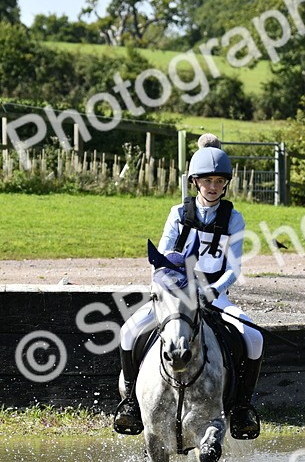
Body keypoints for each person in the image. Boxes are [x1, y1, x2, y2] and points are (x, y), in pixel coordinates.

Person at [113, 134, 264, 439]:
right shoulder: (178, 214)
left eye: (219, 181)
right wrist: (171, 290)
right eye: (207, 181)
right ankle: (130, 403)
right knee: (128, 332)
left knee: (254, 337)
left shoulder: (234, 219)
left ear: (226, 184)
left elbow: (234, 269)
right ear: (195, 182)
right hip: (175, 294)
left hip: (213, 295)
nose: (213, 187)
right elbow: (161, 259)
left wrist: (211, 292)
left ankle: (241, 408)